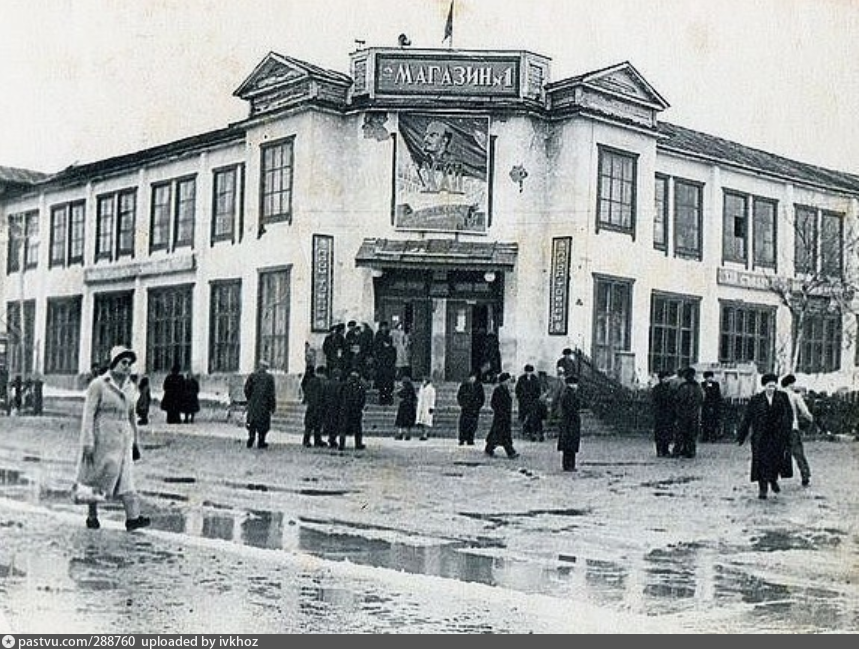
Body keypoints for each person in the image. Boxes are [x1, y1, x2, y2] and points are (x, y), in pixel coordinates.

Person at [75, 345, 150, 531]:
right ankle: (92, 516)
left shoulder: (130, 388)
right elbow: (88, 414)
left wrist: (135, 442)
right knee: (96, 478)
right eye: (124, 362)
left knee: (126, 478)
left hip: (123, 439)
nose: (127, 367)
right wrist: (88, 441)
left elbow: (132, 416)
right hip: (102, 438)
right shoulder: (99, 385)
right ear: (114, 363)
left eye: (130, 364)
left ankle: (133, 518)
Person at [737, 373, 794, 500]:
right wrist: (742, 435)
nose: (772, 389)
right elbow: (747, 418)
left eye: (774, 386)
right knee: (761, 463)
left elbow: (789, 415)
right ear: (764, 386)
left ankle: (773, 480)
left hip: (777, 436)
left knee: (775, 461)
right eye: (769, 386)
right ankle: (763, 488)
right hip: (761, 437)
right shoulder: (756, 400)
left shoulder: (782, 397)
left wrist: (787, 431)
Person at [780, 374, 813, 487]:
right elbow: (805, 412)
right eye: (793, 383)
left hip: (779, 429)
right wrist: (810, 418)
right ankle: (805, 476)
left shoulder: (776, 396)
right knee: (798, 453)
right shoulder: (795, 396)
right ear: (790, 384)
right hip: (792, 428)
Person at [484, 372, 519, 459]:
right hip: (500, 417)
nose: (509, 382)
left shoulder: (507, 390)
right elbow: (493, 403)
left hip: (505, 416)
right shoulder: (498, 390)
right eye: (507, 380)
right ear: (503, 381)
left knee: (497, 435)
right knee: (503, 435)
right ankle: (510, 452)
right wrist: (499, 411)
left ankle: (489, 449)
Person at [244, 360, 277, 449]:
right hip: (264, 405)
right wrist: (272, 406)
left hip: (253, 404)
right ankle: (261, 441)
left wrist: (250, 399)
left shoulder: (252, 376)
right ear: (266, 368)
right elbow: (271, 393)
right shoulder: (269, 378)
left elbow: (246, 389)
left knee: (252, 422)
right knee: (263, 424)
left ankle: (251, 437)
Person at [673, 367, 703, 458]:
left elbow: (678, 399)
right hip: (694, 413)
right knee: (691, 434)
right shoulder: (697, 386)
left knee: (681, 433)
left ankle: (678, 450)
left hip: (683, 413)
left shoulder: (683, 386)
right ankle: (690, 451)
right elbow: (701, 399)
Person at [557, 374, 582, 472]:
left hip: (568, 422)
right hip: (570, 422)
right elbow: (572, 409)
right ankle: (569, 465)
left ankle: (568, 465)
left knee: (568, 444)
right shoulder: (569, 395)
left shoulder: (568, 393)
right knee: (570, 444)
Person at [337, 370, 367, 451]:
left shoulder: (345, 386)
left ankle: (342, 444)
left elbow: (339, 396)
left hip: (347, 409)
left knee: (344, 427)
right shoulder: (359, 386)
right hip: (354, 410)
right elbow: (362, 398)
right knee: (356, 428)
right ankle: (357, 444)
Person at [515, 364, 543, 441]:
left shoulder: (535, 379)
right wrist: (520, 397)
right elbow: (518, 389)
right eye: (527, 371)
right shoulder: (521, 379)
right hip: (524, 401)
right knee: (525, 416)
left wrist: (535, 398)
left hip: (533, 401)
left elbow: (538, 390)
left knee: (533, 416)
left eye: (530, 371)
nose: (529, 373)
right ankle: (527, 431)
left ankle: (533, 433)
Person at [456, 371, 485, 446]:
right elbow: (459, 396)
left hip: (474, 409)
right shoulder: (464, 386)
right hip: (466, 409)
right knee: (463, 424)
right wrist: (463, 404)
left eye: (473, 377)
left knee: (473, 425)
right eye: (471, 377)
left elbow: (482, 397)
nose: (472, 379)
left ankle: (470, 439)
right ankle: (462, 439)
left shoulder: (479, 386)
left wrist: (478, 406)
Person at [651, 371, 675, 457]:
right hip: (660, 413)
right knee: (660, 432)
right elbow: (655, 401)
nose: (667, 379)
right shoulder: (657, 389)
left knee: (668, 432)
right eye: (665, 378)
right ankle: (659, 450)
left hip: (669, 413)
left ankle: (665, 449)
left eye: (667, 377)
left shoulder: (670, 388)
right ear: (661, 379)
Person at [302, 365, 328, 448]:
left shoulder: (311, 381)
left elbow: (306, 391)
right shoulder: (324, 381)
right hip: (319, 406)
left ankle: (307, 440)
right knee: (317, 424)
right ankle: (316, 440)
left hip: (312, 406)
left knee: (310, 424)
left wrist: (308, 400)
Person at [373, 321, 397, 405]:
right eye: (382, 327)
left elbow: (394, 357)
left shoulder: (391, 346)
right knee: (382, 385)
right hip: (382, 366)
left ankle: (388, 399)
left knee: (389, 385)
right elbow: (376, 350)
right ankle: (382, 400)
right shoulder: (378, 337)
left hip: (389, 367)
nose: (384, 328)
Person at [323, 367, 344, 448]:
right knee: (335, 423)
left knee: (330, 423)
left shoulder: (327, 384)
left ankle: (331, 438)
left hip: (328, 406)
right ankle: (332, 439)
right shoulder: (339, 384)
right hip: (336, 406)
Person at [700, 370, 723, 442]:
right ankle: (705, 436)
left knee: (714, 421)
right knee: (705, 421)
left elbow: (717, 394)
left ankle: (713, 436)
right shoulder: (702, 384)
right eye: (708, 377)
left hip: (714, 405)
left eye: (710, 376)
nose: (709, 378)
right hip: (705, 405)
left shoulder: (715, 384)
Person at [394, 375, 417, 441]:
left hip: (404, 407)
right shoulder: (411, 389)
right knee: (408, 423)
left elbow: (399, 394)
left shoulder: (404, 389)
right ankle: (408, 434)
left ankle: (400, 434)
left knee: (401, 421)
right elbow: (414, 398)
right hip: (410, 407)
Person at [415, 375, 437, 441]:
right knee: (421, 421)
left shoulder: (431, 389)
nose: (423, 381)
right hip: (421, 406)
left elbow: (432, 398)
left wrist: (431, 407)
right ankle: (422, 433)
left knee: (426, 421)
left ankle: (425, 434)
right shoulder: (421, 388)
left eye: (425, 380)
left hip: (427, 406)